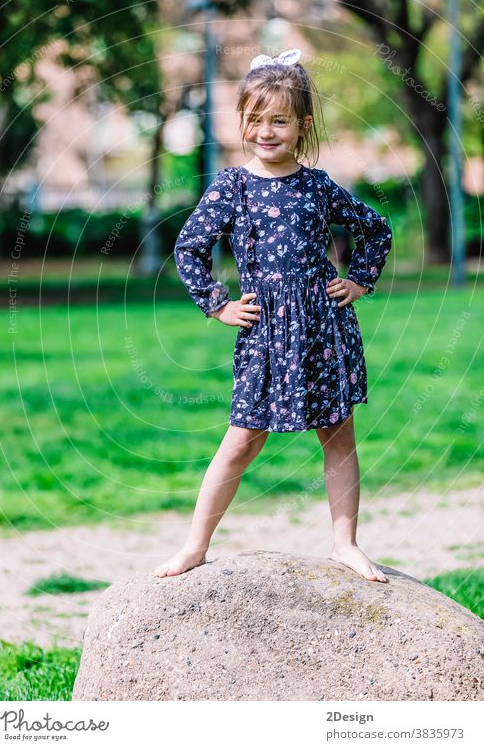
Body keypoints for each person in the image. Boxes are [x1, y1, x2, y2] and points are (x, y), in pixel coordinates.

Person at [153, 49, 393, 583]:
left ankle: (345, 543)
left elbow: (376, 227)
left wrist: (358, 280)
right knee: (242, 438)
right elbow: (189, 246)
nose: (267, 131)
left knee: (338, 433)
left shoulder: (317, 186)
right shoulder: (232, 187)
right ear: (242, 121)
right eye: (256, 120)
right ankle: (195, 545)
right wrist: (217, 303)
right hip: (264, 332)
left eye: (280, 120)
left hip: (323, 328)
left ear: (302, 126)